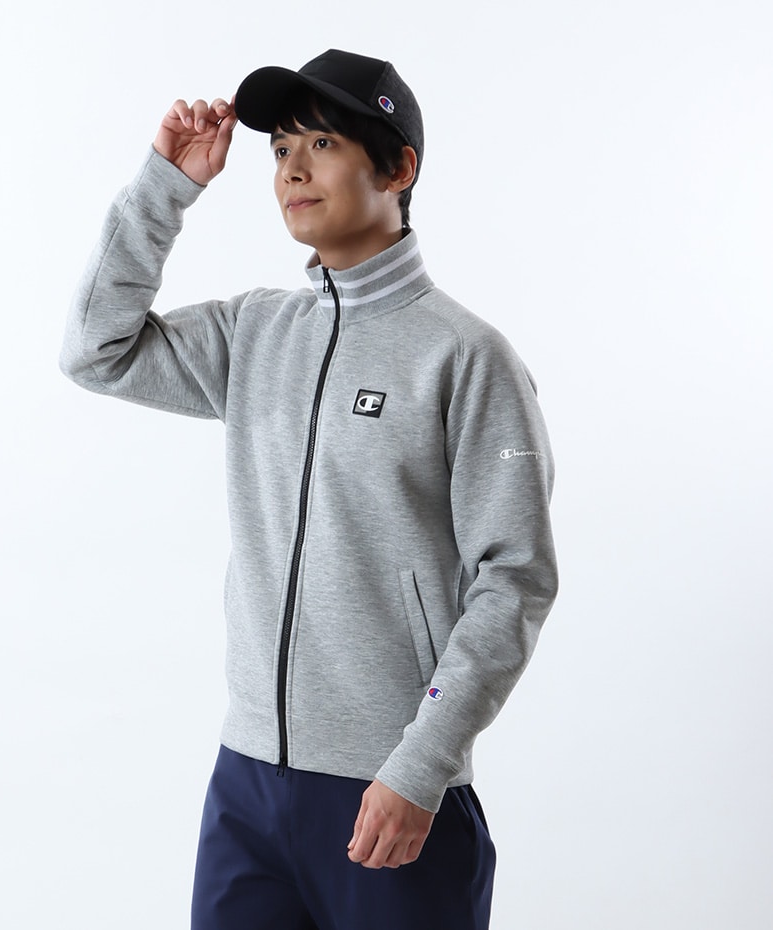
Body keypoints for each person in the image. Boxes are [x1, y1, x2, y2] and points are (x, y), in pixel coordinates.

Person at [60, 48, 558, 930]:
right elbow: (95, 352)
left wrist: (420, 766)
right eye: (281, 148)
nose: (292, 168)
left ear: (398, 169)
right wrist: (165, 188)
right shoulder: (256, 331)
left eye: (322, 143)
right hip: (247, 784)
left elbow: (513, 580)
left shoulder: (467, 357)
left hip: (390, 789)